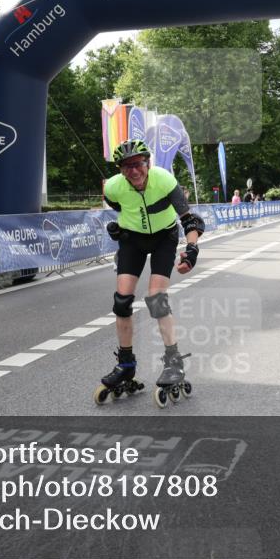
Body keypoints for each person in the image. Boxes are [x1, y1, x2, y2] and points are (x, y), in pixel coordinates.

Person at [98, 140, 205, 407]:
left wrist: (191, 250)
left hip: (163, 238)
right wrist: (119, 227)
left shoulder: (164, 181)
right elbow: (119, 207)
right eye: (126, 166)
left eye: (137, 164)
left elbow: (190, 220)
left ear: (148, 163)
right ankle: (126, 365)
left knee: (156, 299)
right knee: (121, 302)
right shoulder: (113, 187)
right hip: (132, 239)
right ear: (120, 170)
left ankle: (174, 362)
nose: (133, 171)